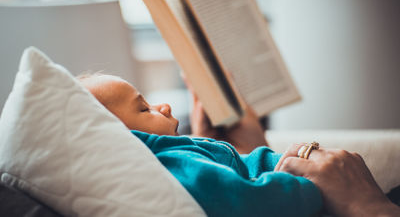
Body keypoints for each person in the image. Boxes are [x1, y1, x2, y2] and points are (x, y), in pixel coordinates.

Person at [78, 73, 400, 217]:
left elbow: (239, 169)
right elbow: (244, 199)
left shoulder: (180, 151)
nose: (163, 108)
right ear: (125, 139)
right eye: (143, 109)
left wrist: (256, 152)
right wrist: (311, 187)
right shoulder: (171, 163)